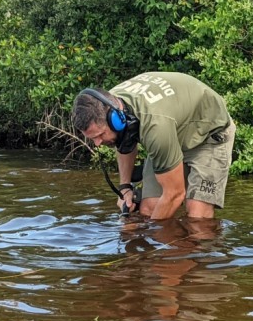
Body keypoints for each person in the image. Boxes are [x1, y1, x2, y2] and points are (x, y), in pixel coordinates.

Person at [71, 72, 235, 220]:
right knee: (149, 208)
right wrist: (125, 187)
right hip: (172, 130)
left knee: (197, 219)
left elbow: (175, 194)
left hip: (209, 134)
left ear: (116, 118)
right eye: (92, 138)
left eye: (100, 135)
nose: (98, 143)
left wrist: (152, 246)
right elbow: (125, 142)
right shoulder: (110, 102)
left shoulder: (155, 127)